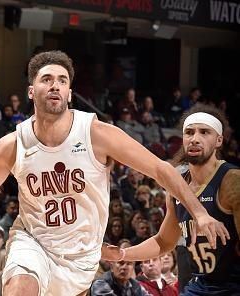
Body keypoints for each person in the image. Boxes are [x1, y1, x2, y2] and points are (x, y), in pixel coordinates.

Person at [0, 51, 227, 296]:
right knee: (20, 284)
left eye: (62, 80)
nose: (55, 86)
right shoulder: (13, 143)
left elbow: (159, 168)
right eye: (47, 79)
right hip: (32, 240)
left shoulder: (96, 133)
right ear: (31, 91)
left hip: (81, 257)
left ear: (68, 91)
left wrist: (198, 211)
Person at [102, 104, 239, 295]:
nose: (195, 139)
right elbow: (164, 242)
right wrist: (123, 254)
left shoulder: (232, 181)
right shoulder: (178, 185)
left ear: (219, 140)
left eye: (204, 132)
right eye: (189, 133)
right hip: (199, 285)